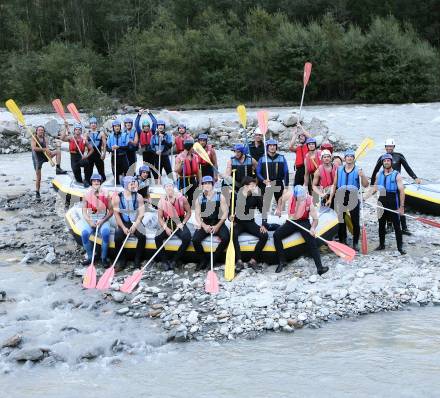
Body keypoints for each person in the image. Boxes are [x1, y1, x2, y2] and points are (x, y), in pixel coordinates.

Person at [370, 138, 421, 235]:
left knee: (401, 205)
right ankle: (389, 226)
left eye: (391, 146)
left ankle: (404, 228)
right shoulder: (382, 157)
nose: (389, 148)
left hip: (397, 184)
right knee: (387, 206)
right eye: (387, 146)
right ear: (385, 147)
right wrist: (372, 185)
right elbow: (375, 171)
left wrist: (415, 178)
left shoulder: (399, 156)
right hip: (385, 186)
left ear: (394, 147)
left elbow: (407, 167)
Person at [274, 185, 329, 275]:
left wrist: (312, 228)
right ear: (295, 196)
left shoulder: (309, 201)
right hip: (291, 221)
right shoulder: (290, 194)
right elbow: (280, 199)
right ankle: (282, 261)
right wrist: (279, 209)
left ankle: (319, 268)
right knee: (276, 235)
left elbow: (315, 219)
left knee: (312, 241)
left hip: (303, 222)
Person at [329, 149, 369, 251]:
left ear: (353, 158)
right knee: (341, 220)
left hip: (353, 197)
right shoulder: (339, 169)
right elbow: (334, 185)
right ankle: (343, 240)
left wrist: (363, 175)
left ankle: (355, 243)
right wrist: (330, 198)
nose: (349, 158)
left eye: (351, 156)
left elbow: (366, 185)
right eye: (347, 156)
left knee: (355, 221)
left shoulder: (358, 170)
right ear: (345, 158)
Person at [192, 176, 230, 270]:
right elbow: (197, 215)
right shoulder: (199, 199)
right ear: (202, 186)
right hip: (205, 223)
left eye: (209, 183)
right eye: (205, 183)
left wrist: (217, 226)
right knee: (195, 240)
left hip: (218, 222)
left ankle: (214, 259)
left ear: (213, 185)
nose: (207, 185)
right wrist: (204, 226)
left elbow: (225, 213)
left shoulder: (220, 196)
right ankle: (203, 260)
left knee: (226, 238)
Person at [232, 176, 269, 270]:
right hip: (238, 223)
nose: (254, 187)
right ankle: (239, 261)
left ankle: (253, 260)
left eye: (255, 185)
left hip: (250, 222)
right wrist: (230, 217)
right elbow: (230, 211)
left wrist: (263, 224)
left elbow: (263, 211)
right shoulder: (235, 196)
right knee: (233, 234)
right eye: (252, 185)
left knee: (264, 235)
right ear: (245, 186)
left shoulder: (256, 196)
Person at [155, 179, 192, 270]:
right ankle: (164, 261)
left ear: (173, 187)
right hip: (168, 222)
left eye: (170, 186)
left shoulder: (182, 198)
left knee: (187, 237)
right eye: (167, 186)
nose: (169, 188)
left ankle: (175, 260)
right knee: (157, 238)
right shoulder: (161, 201)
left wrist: (183, 223)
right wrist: (165, 228)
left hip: (180, 222)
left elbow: (189, 212)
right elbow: (160, 217)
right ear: (164, 188)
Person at [373, 153, 406, 255]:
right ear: (382, 162)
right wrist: (364, 197)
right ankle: (381, 244)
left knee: (397, 225)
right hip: (381, 200)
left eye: (388, 161)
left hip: (393, 201)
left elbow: (401, 192)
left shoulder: (397, 175)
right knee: (381, 224)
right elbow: (374, 188)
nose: (386, 162)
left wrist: (401, 207)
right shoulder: (379, 174)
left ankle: (400, 247)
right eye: (384, 161)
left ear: (391, 162)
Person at [112, 176, 146, 271]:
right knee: (117, 237)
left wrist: (135, 225)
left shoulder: (139, 197)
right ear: (126, 185)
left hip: (136, 221)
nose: (134, 185)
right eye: (131, 184)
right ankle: (122, 260)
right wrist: (123, 227)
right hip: (124, 222)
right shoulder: (118, 198)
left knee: (142, 236)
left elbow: (142, 214)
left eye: (134, 183)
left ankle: (137, 260)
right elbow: (116, 215)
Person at [81, 174, 113, 267]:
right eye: (94, 181)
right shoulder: (86, 195)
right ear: (91, 182)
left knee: (106, 233)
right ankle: (91, 258)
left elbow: (111, 211)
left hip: (102, 220)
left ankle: (103, 258)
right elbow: (84, 212)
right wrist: (90, 222)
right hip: (92, 219)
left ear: (100, 183)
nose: (96, 183)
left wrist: (102, 221)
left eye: (98, 181)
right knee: (85, 234)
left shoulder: (106, 195)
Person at [31, 125, 66, 200]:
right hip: (37, 158)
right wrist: (45, 149)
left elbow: (46, 148)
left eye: (42, 130)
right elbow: (34, 148)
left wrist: (50, 157)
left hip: (44, 155)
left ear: (44, 131)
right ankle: (37, 193)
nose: (41, 131)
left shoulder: (45, 138)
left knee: (57, 151)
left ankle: (58, 168)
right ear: (36, 131)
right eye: (39, 130)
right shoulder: (34, 138)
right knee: (39, 177)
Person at [60, 122, 94, 187]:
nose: (77, 131)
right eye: (76, 129)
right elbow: (62, 138)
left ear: (81, 131)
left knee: (87, 163)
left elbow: (92, 149)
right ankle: (80, 181)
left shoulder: (84, 140)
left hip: (81, 157)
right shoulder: (71, 138)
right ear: (74, 131)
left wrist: (86, 156)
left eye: (79, 129)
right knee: (76, 173)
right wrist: (66, 128)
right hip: (73, 158)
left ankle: (87, 180)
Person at [256, 139, 289, 206]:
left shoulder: (281, 158)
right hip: (266, 183)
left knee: (281, 206)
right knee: (264, 206)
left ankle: (277, 209)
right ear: (267, 147)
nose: (272, 147)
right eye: (270, 145)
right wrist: (263, 180)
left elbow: (286, 172)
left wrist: (286, 186)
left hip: (278, 183)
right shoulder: (262, 159)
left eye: (274, 145)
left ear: (276, 147)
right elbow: (258, 172)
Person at [175, 139, 201, 206]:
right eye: (193, 147)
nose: (194, 149)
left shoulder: (195, 157)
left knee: (193, 199)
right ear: (189, 147)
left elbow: (197, 170)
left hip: (192, 179)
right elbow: (176, 170)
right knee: (182, 199)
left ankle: (192, 212)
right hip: (182, 180)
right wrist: (181, 163)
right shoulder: (179, 157)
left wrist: (199, 181)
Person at [107, 120, 129, 185]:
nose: (117, 127)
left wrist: (119, 147)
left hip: (123, 157)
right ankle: (117, 185)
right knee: (115, 173)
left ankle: (127, 187)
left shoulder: (125, 135)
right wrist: (112, 149)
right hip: (114, 157)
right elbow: (108, 148)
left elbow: (127, 147)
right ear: (113, 127)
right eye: (115, 126)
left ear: (120, 127)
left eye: (118, 126)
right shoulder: (110, 136)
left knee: (126, 173)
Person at [85, 116, 106, 183]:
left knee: (101, 171)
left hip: (98, 154)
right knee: (89, 170)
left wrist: (104, 154)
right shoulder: (87, 133)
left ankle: (102, 181)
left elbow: (105, 145)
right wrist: (86, 137)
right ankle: (88, 181)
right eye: (91, 123)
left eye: (94, 123)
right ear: (90, 125)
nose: (93, 124)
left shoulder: (101, 133)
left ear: (96, 124)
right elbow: (84, 144)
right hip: (90, 154)